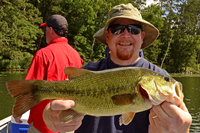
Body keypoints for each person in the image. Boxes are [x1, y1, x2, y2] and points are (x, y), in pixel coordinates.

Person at [42, 3, 192, 133]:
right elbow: (55, 108)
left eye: (133, 29)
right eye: (117, 29)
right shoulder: (89, 72)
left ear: (142, 36)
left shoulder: (160, 76)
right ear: (107, 36)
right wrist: (49, 116)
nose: (126, 34)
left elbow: (179, 123)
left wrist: (181, 130)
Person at [14, 14, 83, 133]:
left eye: (46, 30)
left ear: (50, 30)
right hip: (68, 124)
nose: (45, 33)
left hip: (43, 124)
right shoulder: (77, 56)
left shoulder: (43, 54)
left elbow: (28, 88)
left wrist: (18, 111)